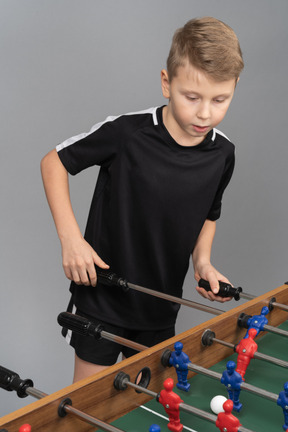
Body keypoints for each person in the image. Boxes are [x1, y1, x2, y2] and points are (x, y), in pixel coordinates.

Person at [41, 17, 244, 382]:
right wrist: (71, 241)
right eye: (192, 97)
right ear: (167, 83)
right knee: (89, 410)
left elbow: (208, 214)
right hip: (101, 299)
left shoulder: (223, 154)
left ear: (235, 88)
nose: (204, 113)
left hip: (160, 309)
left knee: (145, 411)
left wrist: (204, 262)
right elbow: (53, 162)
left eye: (220, 100)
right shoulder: (128, 133)